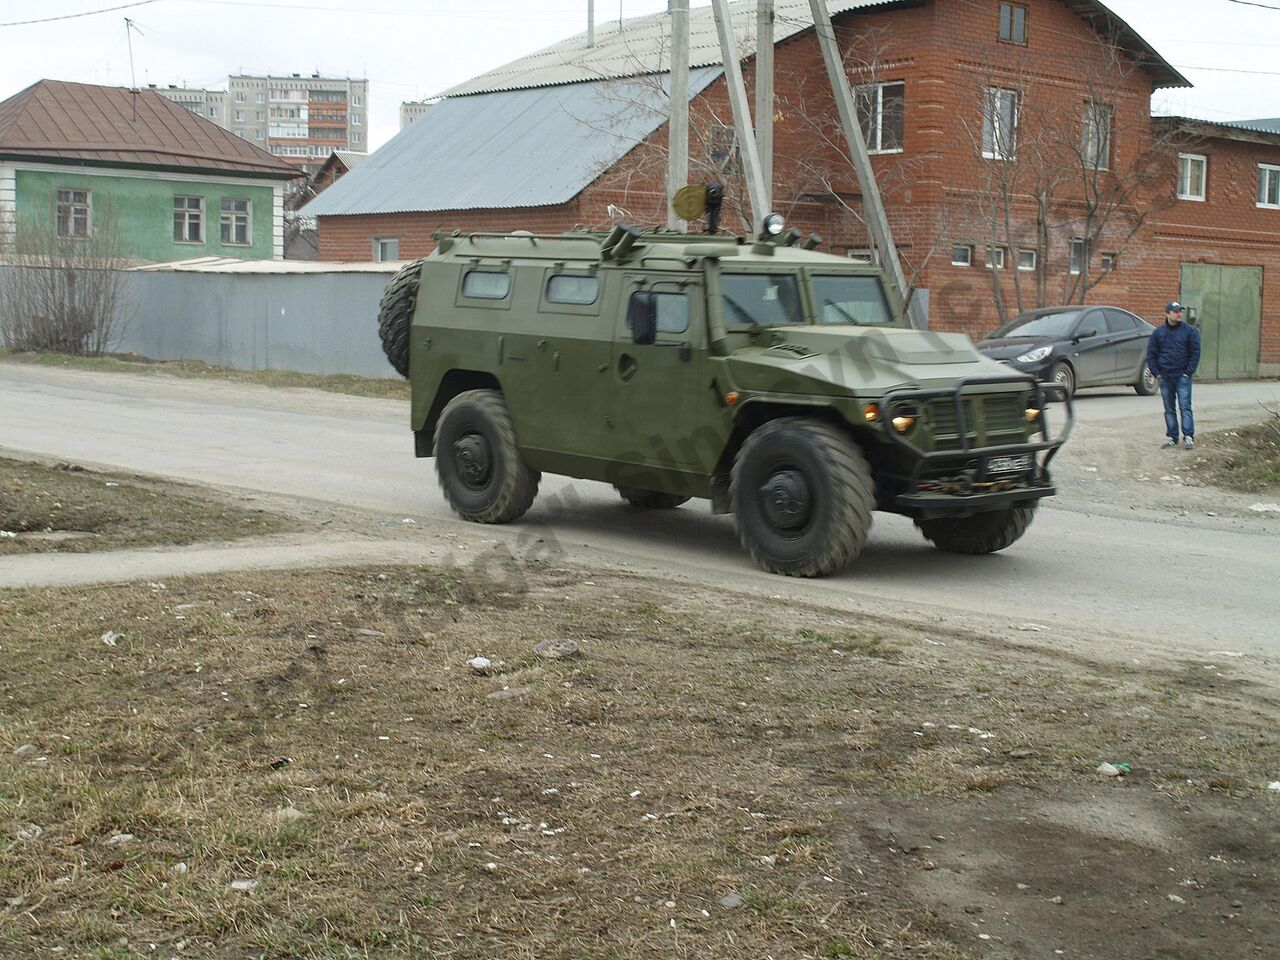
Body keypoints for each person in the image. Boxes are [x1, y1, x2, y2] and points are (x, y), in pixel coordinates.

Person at [1146, 301, 1201, 449]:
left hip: (1182, 376)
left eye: (1180, 311)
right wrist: (1157, 373)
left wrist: (1188, 372)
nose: (1179, 314)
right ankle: (1172, 437)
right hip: (1165, 377)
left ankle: (1188, 436)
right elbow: (1151, 353)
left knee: (1185, 407)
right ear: (1167, 314)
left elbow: (1195, 353)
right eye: (1175, 311)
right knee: (1169, 409)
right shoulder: (1159, 332)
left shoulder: (1190, 331)